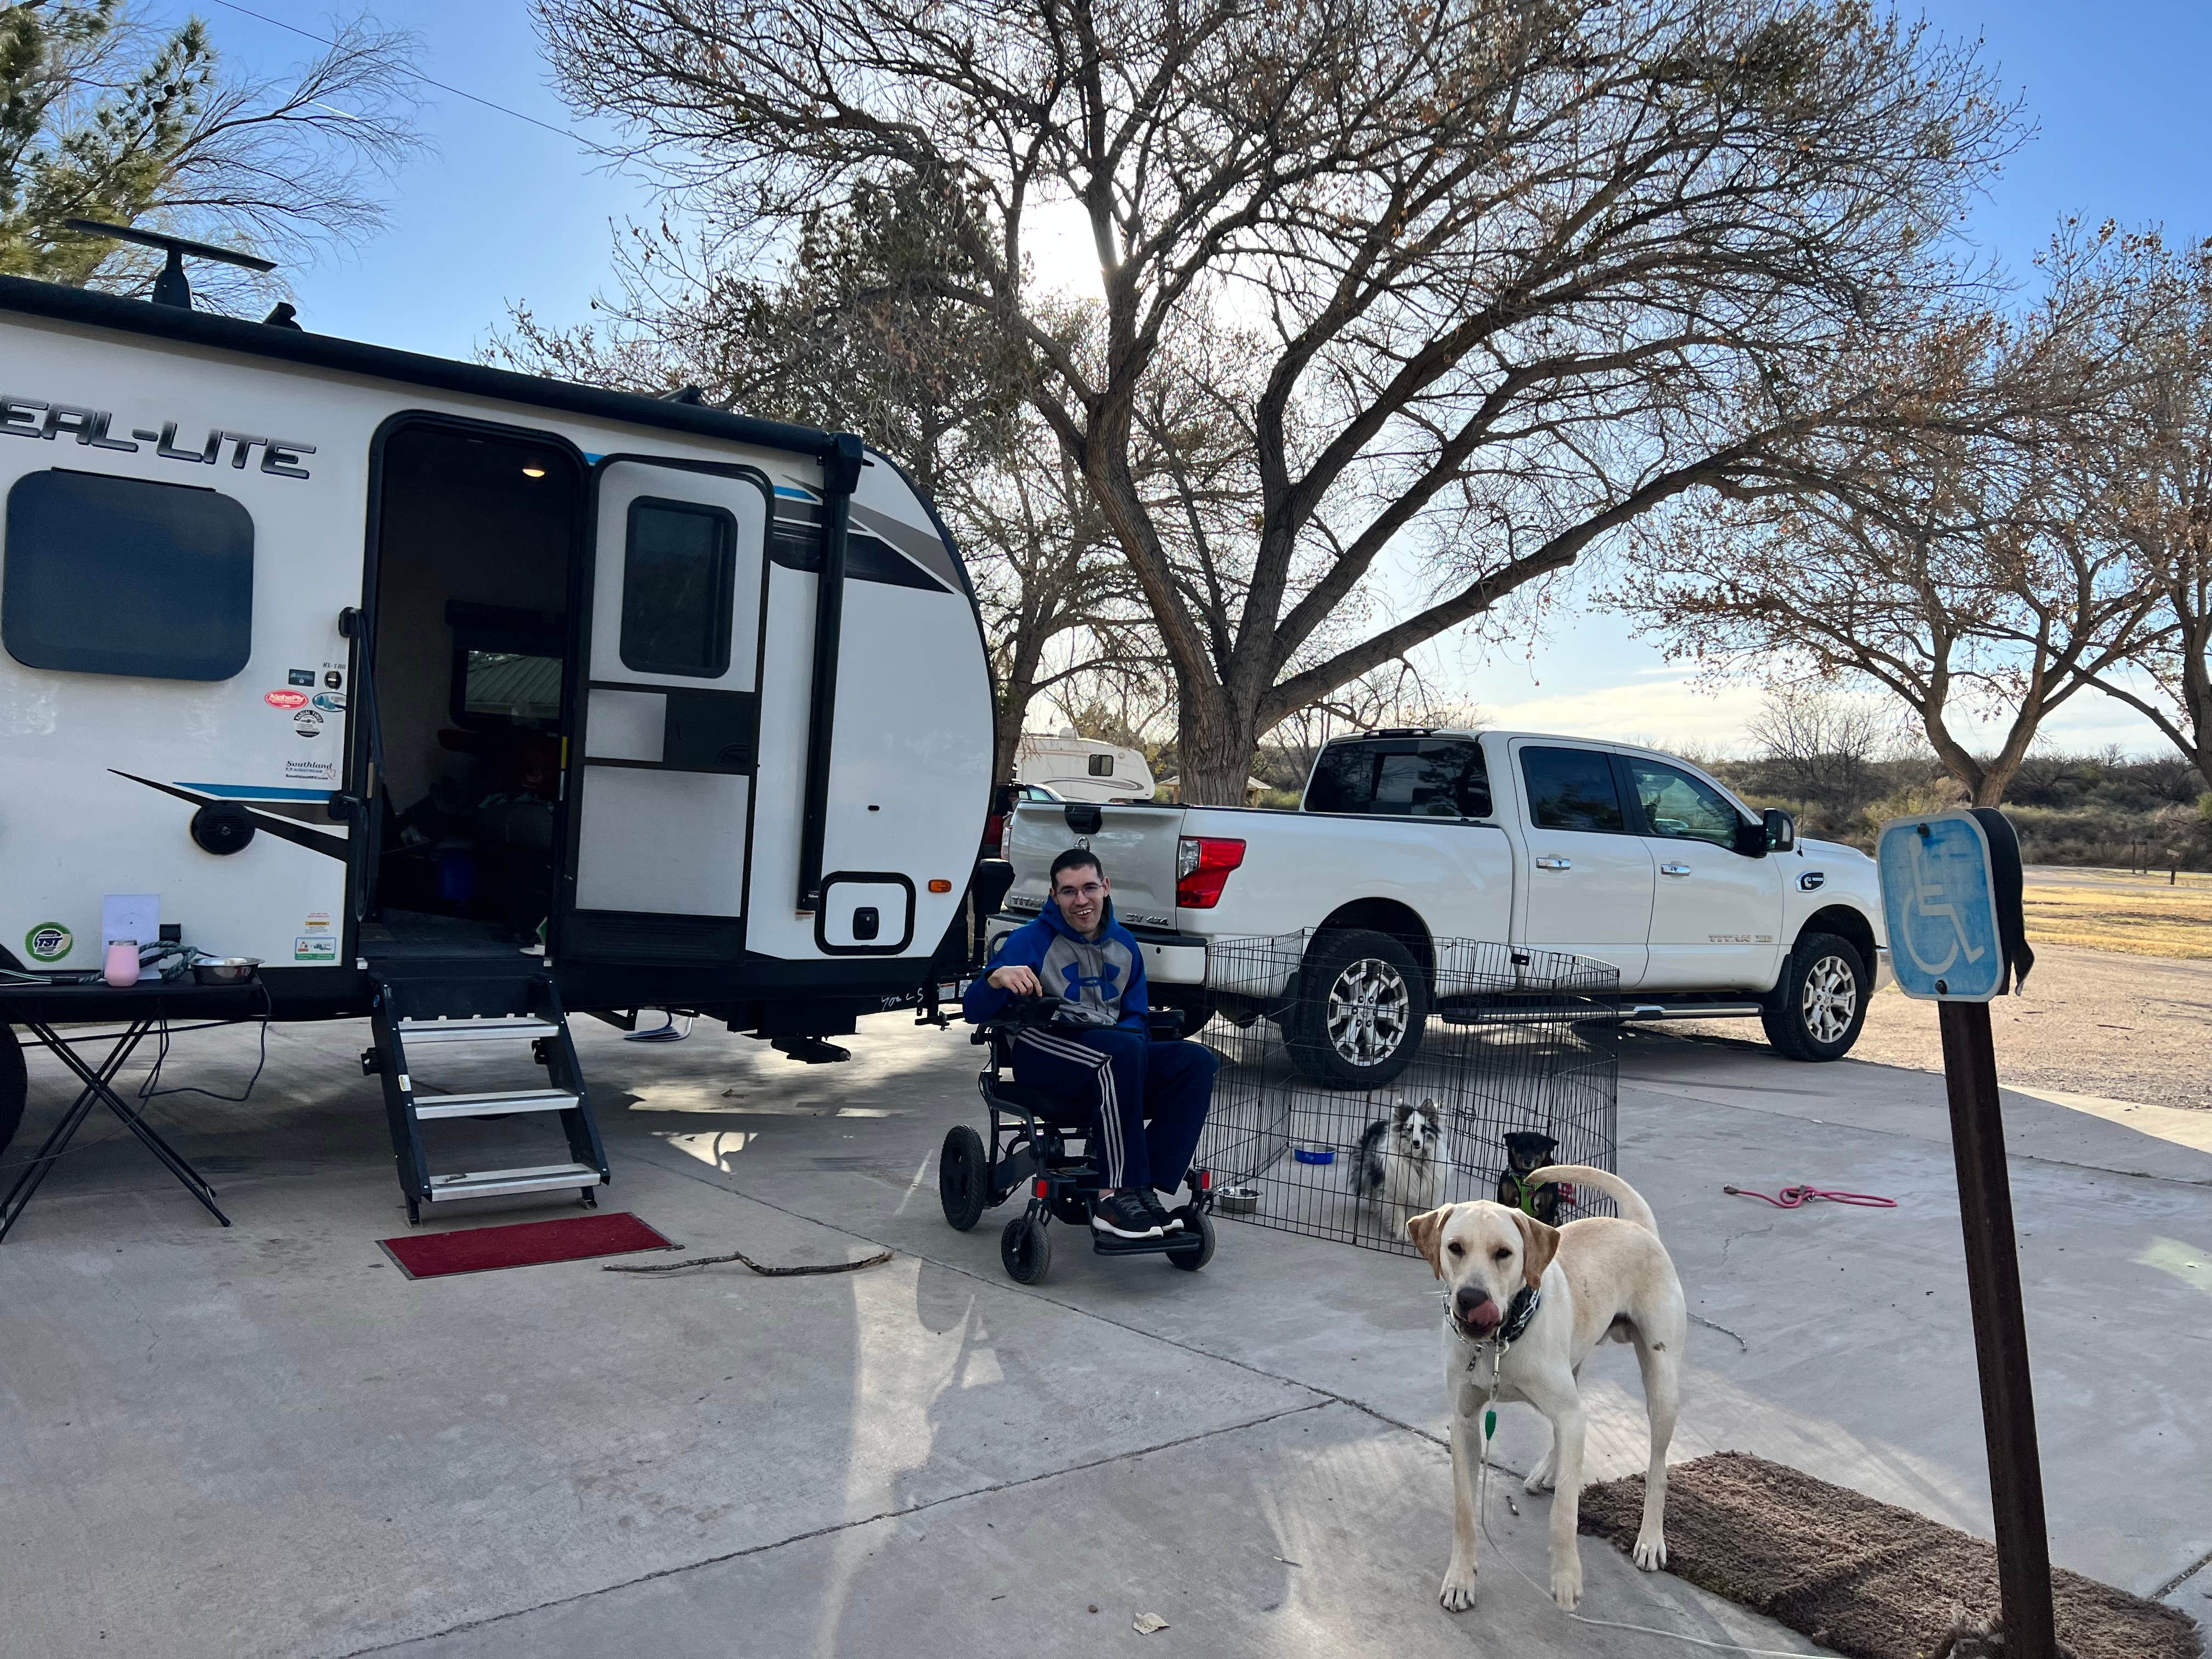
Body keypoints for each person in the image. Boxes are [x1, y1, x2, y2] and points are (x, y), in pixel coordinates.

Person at [963, 848, 1216, 1241]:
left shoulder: (1126, 945)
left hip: (1115, 1053)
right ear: (1054, 895)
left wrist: (1135, 1049)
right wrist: (995, 978)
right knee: (1121, 1053)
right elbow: (973, 1009)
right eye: (1068, 891)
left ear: (1105, 888)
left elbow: (1136, 1019)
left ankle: (1145, 1186)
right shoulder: (1029, 941)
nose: (1081, 901)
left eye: (1089, 888)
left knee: (1196, 1061)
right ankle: (1113, 1195)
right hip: (1045, 1049)